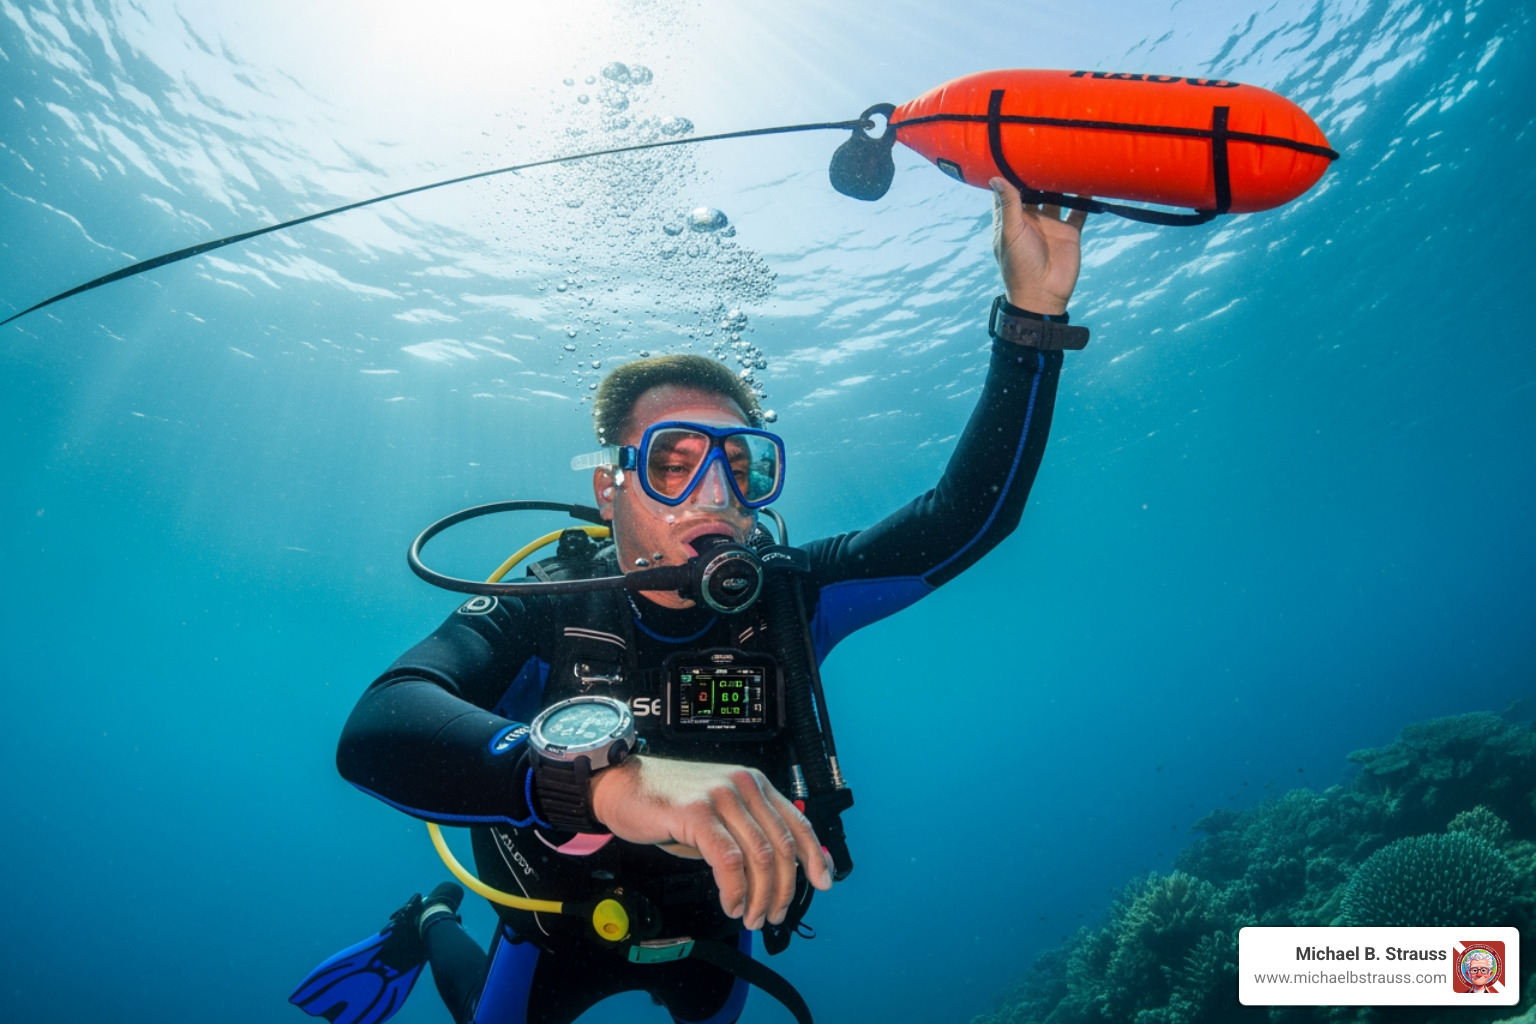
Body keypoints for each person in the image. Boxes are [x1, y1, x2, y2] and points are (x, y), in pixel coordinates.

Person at [291, 178, 1090, 1024]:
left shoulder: (790, 596)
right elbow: (377, 727)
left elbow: (966, 517)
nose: (716, 494)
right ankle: (429, 923)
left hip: (716, 920)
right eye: (674, 462)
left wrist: (1032, 317)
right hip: (551, 922)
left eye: (742, 467)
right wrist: (603, 785)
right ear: (610, 488)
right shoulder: (543, 610)